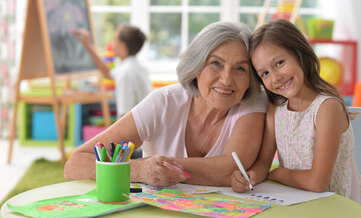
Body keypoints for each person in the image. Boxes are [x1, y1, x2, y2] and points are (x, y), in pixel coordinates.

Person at [64, 21, 268, 187]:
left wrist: (156, 166)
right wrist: (139, 170)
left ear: (251, 77)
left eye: (240, 69)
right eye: (215, 63)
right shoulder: (164, 102)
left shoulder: (253, 102)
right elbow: (75, 164)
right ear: (196, 66)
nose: (226, 80)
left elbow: (230, 168)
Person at [230, 19, 361, 204]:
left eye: (279, 63)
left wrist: (279, 173)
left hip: (336, 205)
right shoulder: (276, 108)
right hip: (297, 200)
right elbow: (263, 164)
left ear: (300, 54)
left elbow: (317, 182)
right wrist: (248, 176)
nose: (275, 77)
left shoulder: (326, 108)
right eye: (264, 73)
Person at [73, 24, 152, 118]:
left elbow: (124, 116)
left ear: (123, 46)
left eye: (115, 40)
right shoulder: (138, 67)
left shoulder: (125, 73)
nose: (112, 44)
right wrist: (88, 46)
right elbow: (108, 73)